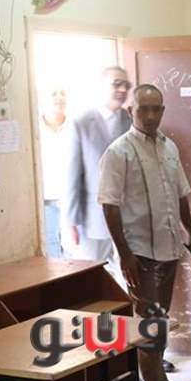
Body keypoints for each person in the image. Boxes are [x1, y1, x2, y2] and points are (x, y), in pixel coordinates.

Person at [98, 84, 191, 381]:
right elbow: (110, 206)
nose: (150, 115)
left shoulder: (169, 147)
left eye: (156, 108)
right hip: (139, 252)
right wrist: (125, 254)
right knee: (150, 321)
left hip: (169, 247)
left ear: (163, 111)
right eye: (143, 108)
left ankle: (156, 375)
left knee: (160, 317)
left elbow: (181, 195)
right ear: (132, 111)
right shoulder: (119, 152)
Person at [59, 66, 132, 280]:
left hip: (128, 218)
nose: (122, 90)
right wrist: (70, 221)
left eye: (126, 85)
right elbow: (72, 175)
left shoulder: (131, 121)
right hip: (92, 219)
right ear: (101, 86)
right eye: (116, 84)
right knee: (90, 281)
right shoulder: (81, 122)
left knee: (127, 280)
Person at [40, 88, 68, 258]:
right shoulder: (35, 128)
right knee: (52, 251)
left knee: (73, 252)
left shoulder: (75, 125)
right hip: (46, 201)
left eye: (63, 93)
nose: (59, 97)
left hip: (70, 200)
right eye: (54, 93)